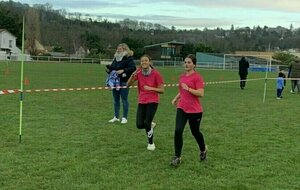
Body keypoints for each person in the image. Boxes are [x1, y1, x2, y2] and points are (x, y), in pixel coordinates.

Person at [170, 54, 207, 167]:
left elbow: (201, 93)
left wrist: (189, 89)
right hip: (182, 108)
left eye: (189, 62)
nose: (186, 64)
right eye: (185, 62)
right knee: (178, 130)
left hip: (195, 110)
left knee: (195, 132)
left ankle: (203, 149)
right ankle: (177, 157)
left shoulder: (197, 77)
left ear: (194, 64)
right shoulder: (182, 77)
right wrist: (176, 98)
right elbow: (182, 91)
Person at [127, 54, 164, 151]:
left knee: (146, 122)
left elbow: (162, 90)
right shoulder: (138, 73)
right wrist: (132, 76)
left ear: (150, 62)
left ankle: (151, 143)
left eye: (146, 60)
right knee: (139, 125)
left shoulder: (156, 74)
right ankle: (150, 125)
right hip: (142, 101)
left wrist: (150, 88)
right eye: (142, 61)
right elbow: (128, 85)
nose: (144, 62)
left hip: (153, 101)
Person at [106, 43, 136, 124]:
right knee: (116, 100)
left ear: (125, 49)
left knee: (124, 99)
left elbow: (133, 68)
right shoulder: (116, 58)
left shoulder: (128, 58)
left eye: (120, 48)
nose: (118, 49)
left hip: (124, 81)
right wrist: (109, 69)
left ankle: (124, 117)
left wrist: (123, 70)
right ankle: (116, 117)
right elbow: (113, 67)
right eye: (118, 48)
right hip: (115, 82)